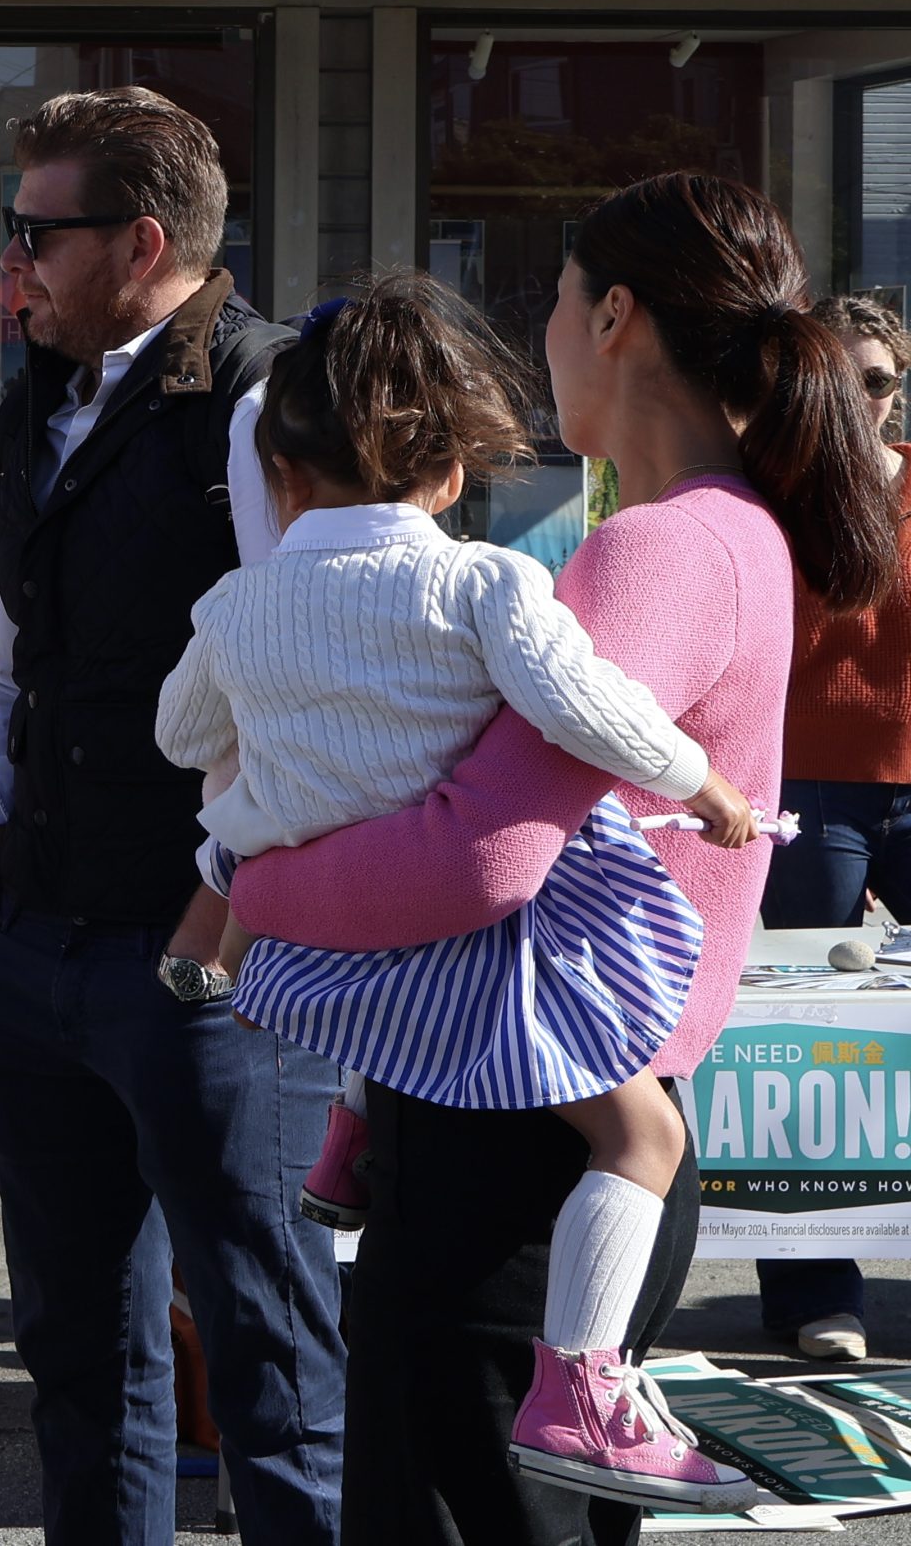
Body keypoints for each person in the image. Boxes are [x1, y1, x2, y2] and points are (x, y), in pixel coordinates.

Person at [226, 173, 898, 1546]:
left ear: (616, 317)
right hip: (562, 1137)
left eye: (551, 299)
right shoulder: (725, 530)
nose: (538, 332)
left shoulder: (655, 551)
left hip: (517, 1159)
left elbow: (473, 859)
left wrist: (251, 891)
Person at [157, 273, 763, 1511]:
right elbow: (586, 710)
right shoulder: (484, 584)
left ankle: (347, 1143)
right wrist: (700, 782)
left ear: (277, 475)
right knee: (642, 1134)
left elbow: (178, 735)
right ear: (446, 477)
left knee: (390, 1029)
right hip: (490, 944)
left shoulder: (231, 609)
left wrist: (269, 731)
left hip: (337, 942)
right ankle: (581, 1387)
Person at [0, 85, 342, 1544]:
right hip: (36, 943)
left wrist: (210, 925)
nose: (15, 261)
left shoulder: (254, 401)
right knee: (82, 1364)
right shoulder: (31, 399)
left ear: (142, 242)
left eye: (38, 231)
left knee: (273, 1358)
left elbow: (314, 700)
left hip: (203, 967)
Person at [751, 294, 911, 1363]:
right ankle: (816, 1294)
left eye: (879, 382)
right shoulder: (770, 499)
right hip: (805, 785)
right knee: (803, 1041)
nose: (859, 401)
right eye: (839, 379)